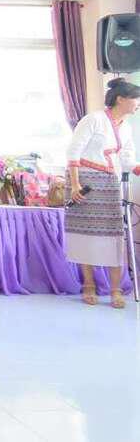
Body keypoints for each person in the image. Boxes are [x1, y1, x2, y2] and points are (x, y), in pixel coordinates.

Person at [65, 77, 139, 309]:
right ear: (121, 99)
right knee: (86, 235)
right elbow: (73, 151)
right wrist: (75, 185)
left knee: (114, 236)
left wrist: (137, 168)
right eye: (136, 99)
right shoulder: (93, 119)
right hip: (85, 182)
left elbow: (127, 158)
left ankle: (115, 290)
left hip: (110, 183)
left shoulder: (126, 127)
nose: (138, 103)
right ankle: (89, 285)